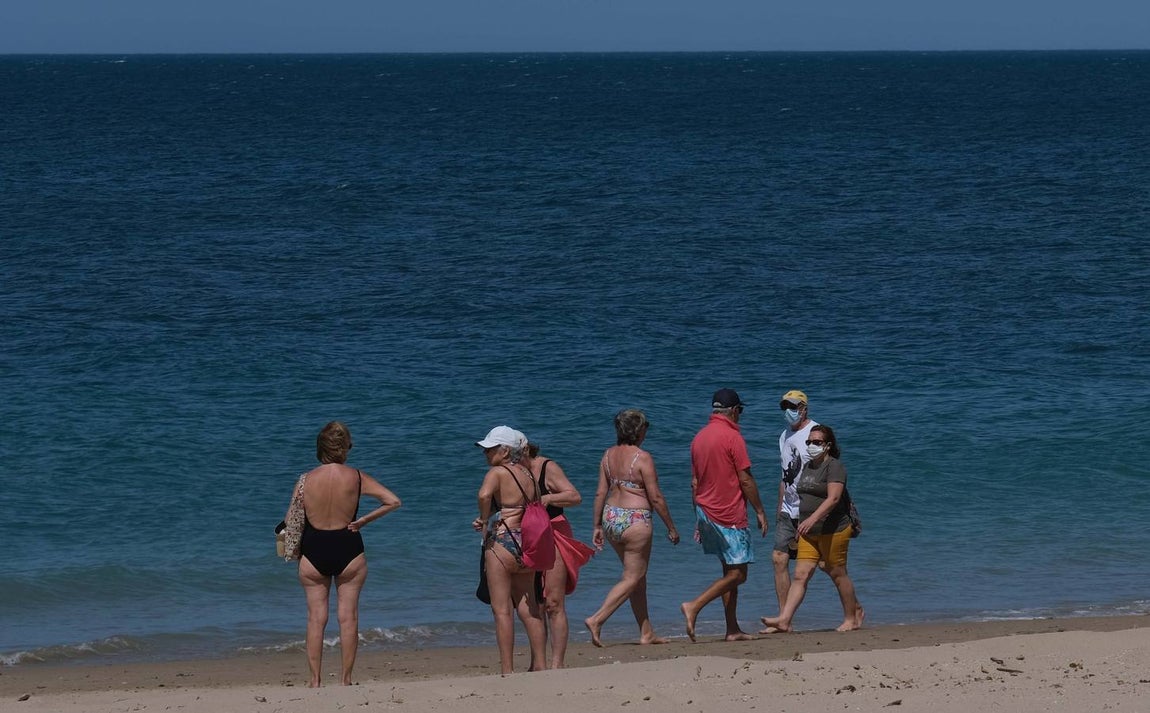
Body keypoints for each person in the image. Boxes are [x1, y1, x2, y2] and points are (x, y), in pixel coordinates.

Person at [287, 421, 401, 687]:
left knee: (316, 618)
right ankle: (346, 679)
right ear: (345, 447)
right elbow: (393, 501)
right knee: (348, 616)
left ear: (320, 447)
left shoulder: (305, 480)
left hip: (314, 548)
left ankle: (315, 681)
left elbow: (291, 519)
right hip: (348, 547)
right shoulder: (357, 477)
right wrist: (363, 521)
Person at [585, 409, 680, 647]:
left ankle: (646, 632)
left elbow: (599, 492)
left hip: (611, 517)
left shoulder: (607, 455)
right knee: (633, 576)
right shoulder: (643, 457)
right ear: (639, 430)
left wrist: (596, 525)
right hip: (635, 520)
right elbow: (656, 497)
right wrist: (671, 526)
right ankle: (597, 619)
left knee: (638, 577)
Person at [679, 388, 768, 642]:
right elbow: (746, 479)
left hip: (705, 511)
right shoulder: (732, 437)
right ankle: (694, 606)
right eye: (740, 411)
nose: (740, 416)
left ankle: (732, 629)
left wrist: (696, 514)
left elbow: (694, 483)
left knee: (729, 573)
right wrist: (760, 510)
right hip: (728, 514)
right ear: (733, 411)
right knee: (739, 574)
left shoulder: (699, 438)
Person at [760, 424, 864, 633]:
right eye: (809, 442)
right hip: (808, 531)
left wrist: (812, 518)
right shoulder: (808, 466)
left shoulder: (834, 467)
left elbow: (834, 498)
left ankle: (851, 617)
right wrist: (796, 518)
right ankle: (784, 619)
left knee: (837, 572)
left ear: (827, 445)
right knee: (801, 574)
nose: (811, 445)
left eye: (817, 442)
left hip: (834, 529)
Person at [472, 426, 548, 673]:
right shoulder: (528, 474)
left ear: (505, 451)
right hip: (527, 543)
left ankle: (507, 670)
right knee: (530, 608)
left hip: (503, 542)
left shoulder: (497, 473)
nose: (486, 454)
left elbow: (484, 495)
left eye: (490, 449)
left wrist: (484, 520)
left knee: (502, 611)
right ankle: (541, 666)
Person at [519, 438, 594, 669]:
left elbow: (574, 496)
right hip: (528, 537)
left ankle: (557, 665)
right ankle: (537, 663)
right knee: (534, 604)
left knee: (553, 602)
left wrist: (548, 498)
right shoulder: (510, 472)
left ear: (524, 450)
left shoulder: (546, 467)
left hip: (553, 532)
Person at [771, 389, 819, 611]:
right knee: (779, 558)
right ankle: (784, 616)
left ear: (804, 409)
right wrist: (780, 507)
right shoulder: (784, 436)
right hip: (788, 510)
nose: (788, 411)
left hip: (811, 510)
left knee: (826, 565)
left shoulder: (815, 433)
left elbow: (829, 471)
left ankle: (853, 608)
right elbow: (785, 475)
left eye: (792, 407)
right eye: (785, 407)